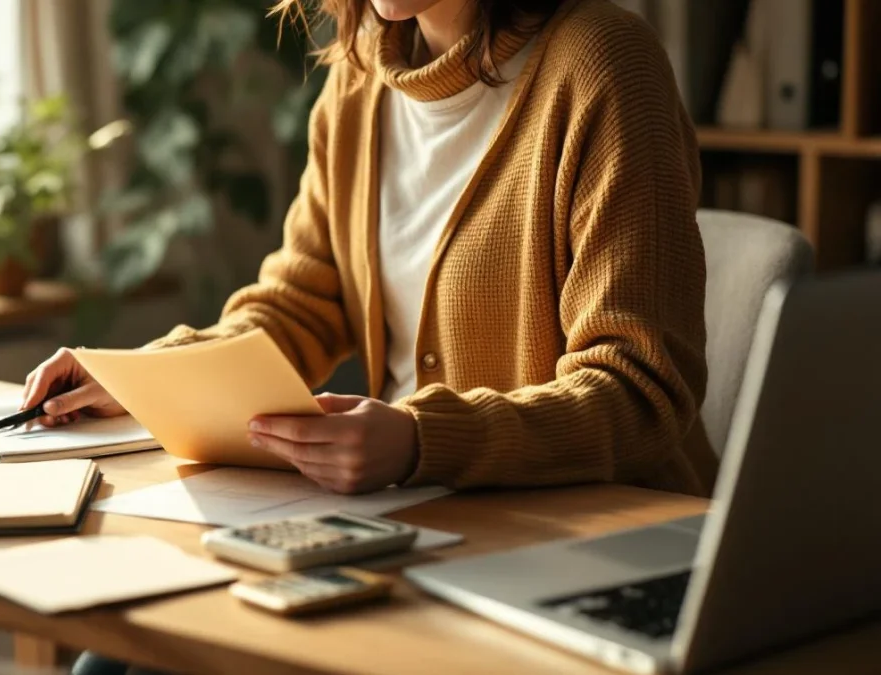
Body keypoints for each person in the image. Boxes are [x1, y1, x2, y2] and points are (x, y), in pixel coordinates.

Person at [42, 0, 717, 670]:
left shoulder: (604, 63)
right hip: (419, 530)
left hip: (590, 555)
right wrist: (150, 372)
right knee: (121, 651)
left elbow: (640, 388)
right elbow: (300, 302)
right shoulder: (362, 74)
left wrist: (423, 440)